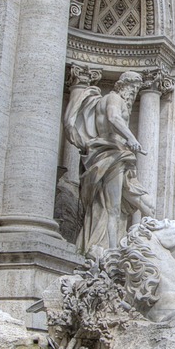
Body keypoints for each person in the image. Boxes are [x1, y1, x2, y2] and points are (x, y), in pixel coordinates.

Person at [64, 71, 157, 252]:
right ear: (124, 85)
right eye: (133, 88)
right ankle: (112, 252)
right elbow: (113, 117)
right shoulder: (114, 98)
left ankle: (141, 245)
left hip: (116, 156)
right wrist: (131, 138)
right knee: (112, 207)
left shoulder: (107, 100)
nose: (134, 93)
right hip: (111, 155)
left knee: (145, 204)